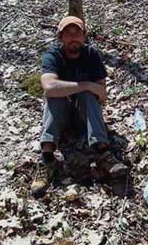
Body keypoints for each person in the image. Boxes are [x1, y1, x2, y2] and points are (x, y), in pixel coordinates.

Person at [31, 16, 128, 196]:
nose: (73, 37)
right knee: (54, 96)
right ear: (60, 37)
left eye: (77, 33)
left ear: (84, 36)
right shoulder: (53, 55)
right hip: (61, 117)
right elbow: (49, 86)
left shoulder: (91, 54)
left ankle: (103, 152)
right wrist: (84, 85)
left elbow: (102, 93)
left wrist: (85, 89)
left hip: (85, 117)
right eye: (68, 33)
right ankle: (47, 158)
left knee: (87, 94)